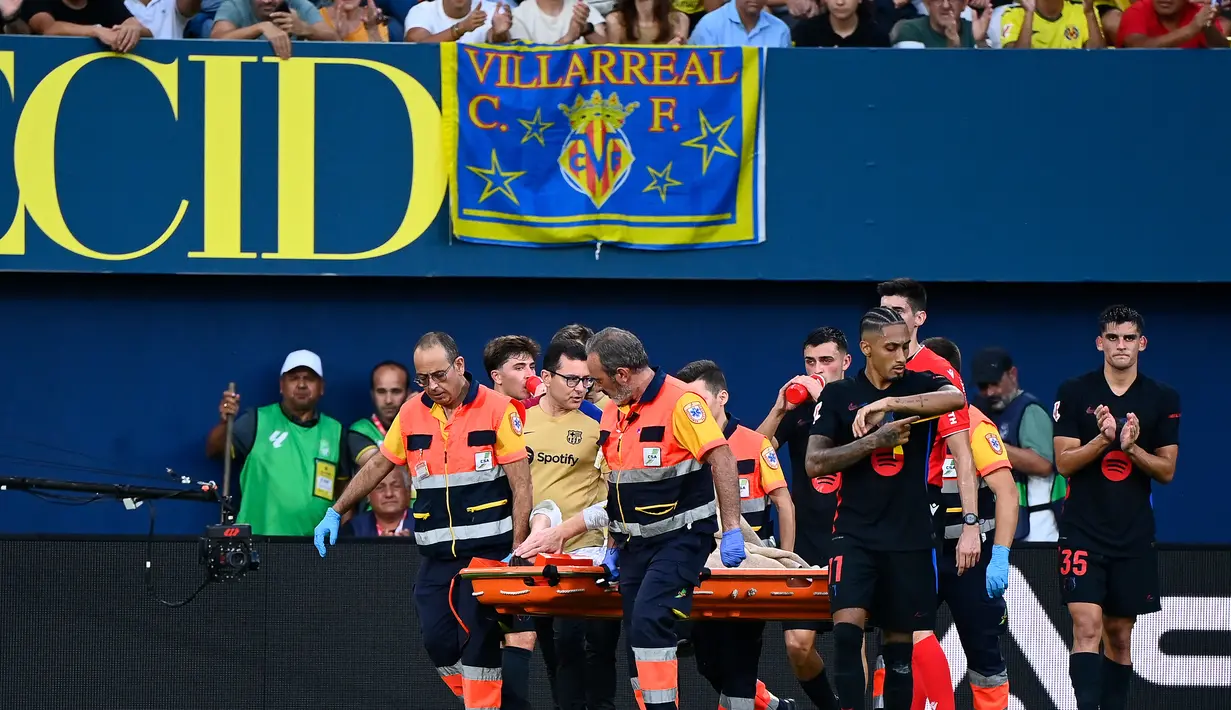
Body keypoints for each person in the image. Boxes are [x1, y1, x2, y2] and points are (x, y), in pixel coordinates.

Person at [516, 327, 747, 710]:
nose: (593, 388)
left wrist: (733, 528)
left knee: (649, 622)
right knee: (638, 639)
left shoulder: (681, 403)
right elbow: (617, 489)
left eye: (598, 380)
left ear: (622, 374)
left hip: (680, 538)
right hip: (633, 546)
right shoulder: (612, 413)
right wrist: (612, 544)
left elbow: (722, 458)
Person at [313, 331, 533, 710]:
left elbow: (522, 485)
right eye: (423, 378)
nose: (432, 386)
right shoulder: (412, 413)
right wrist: (335, 510)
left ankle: (486, 706)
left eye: (439, 375)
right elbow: (379, 465)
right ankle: (497, 703)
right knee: (437, 642)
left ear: (459, 366)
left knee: (479, 644)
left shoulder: (498, 409)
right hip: (436, 557)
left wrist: (518, 549)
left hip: (488, 555)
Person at [805, 307, 965, 710]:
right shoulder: (839, 394)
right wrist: (873, 441)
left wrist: (890, 402)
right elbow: (815, 463)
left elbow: (956, 397)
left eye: (905, 347)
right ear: (866, 348)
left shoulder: (918, 385)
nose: (900, 356)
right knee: (846, 635)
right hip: (854, 533)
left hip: (910, 537)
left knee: (898, 653)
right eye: (891, 348)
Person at [1053, 305, 1180, 710]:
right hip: (1082, 530)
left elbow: (1167, 470)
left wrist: (1131, 447)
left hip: (1133, 533)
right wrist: (1102, 440)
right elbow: (1063, 463)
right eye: (1113, 337)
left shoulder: (1161, 397)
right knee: (1086, 627)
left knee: (1120, 636)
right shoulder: (1075, 391)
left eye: (1128, 338)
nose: (1121, 345)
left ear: (1142, 343)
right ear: (1099, 343)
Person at [878, 278, 980, 710]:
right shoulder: (874, 365)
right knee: (883, 628)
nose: (888, 319)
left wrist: (970, 523)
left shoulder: (938, 372)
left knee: (913, 623)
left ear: (919, 318)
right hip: (873, 512)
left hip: (920, 508)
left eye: (898, 311)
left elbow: (962, 451)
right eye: (883, 310)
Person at [676, 359, 797, 710]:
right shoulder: (683, 445)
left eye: (699, 399)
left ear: (722, 397)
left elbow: (784, 504)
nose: (693, 408)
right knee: (707, 662)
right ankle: (773, 705)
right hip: (703, 569)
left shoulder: (754, 443)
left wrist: (784, 561)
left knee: (740, 661)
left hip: (749, 569)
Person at [921, 337, 1020, 710]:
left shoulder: (976, 425)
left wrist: (1000, 556)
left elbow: (1007, 493)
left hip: (970, 560)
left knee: (984, 655)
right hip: (920, 555)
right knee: (897, 647)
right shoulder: (908, 424)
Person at [523, 337, 620, 710]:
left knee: (597, 646)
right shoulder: (519, 420)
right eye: (572, 379)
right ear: (546, 377)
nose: (581, 388)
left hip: (590, 553)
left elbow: (616, 489)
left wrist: (612, 547)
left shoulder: (600, 422)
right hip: (540, 556)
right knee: (558, 650)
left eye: (587, 380)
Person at [757, 327, 850, 710]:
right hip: (806, 544)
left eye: (826, 360)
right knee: (797, 645)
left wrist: (826, 401)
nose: (817, 369)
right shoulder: (798, 413)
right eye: (810, 362)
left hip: (852, 537)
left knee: (850, 642)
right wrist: (780, 408)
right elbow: (753, 453)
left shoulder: (859, 401)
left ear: (846, 362)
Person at [207, 350, 350, 536]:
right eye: (294, 378)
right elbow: (214, 450)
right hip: (258, 542)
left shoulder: (335, 431)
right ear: (282, 385)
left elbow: (345, 493)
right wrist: (225, 422)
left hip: (315, 546)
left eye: (309, 378)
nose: (301, 384)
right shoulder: (256, 420)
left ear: (321, 387)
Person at [971, 346, 1064, 542]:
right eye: (983, 386)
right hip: (1003, 525)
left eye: (995, 383)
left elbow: (1043, 464)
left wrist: (990, 446)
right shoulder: (983, 411)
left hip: (1036, 527)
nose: (990, 392)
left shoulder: (1029, 410)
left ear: (1012, 374)